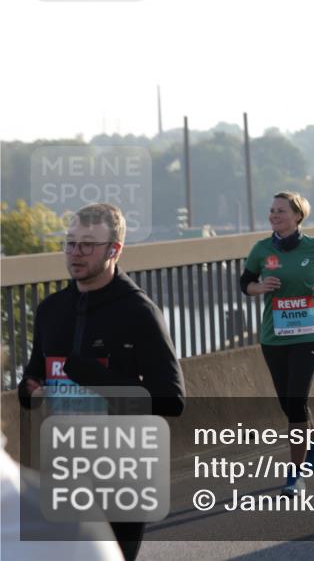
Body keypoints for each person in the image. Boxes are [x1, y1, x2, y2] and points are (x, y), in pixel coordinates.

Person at [17, 203, 185, 561]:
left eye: (88, 245)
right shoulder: (51, 310)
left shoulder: (139, 312)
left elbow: (172, 400)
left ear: (115, 250)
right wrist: (28, 386)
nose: (76, 253)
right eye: (70, 243)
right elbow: (35, 371)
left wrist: (98, 378)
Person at [241, 191, 314, 496]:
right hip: (275, 336)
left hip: (310, 333)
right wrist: (259, 287)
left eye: (280, 211)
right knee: (288, 404)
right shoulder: (261, 250)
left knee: (297, 402)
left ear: (297, 215)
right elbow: (245, 283)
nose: (274, 215)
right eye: (271, 211)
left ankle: (296, 476)